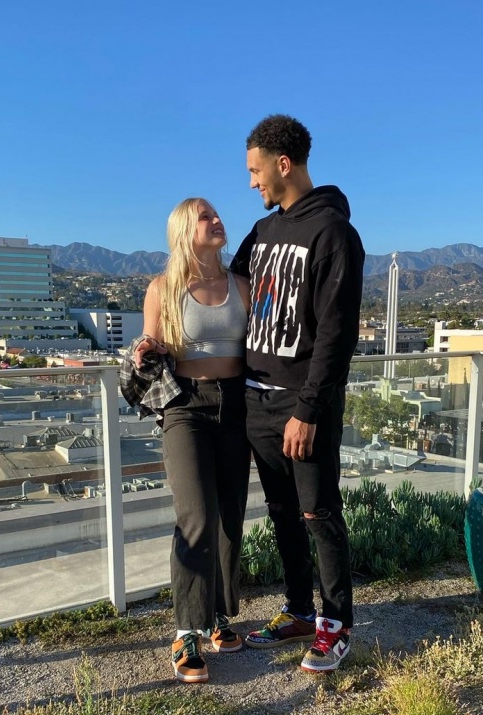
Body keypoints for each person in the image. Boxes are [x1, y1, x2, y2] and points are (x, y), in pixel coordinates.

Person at [230, 114, 365, 673]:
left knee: (319, 513)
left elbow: (337, 333)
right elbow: (226, 285)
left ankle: (337, 625)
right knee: (283, 512)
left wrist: (308, 410)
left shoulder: (334, 234)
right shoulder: (262, 232)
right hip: (256, 398)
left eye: (255, 171)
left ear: (283, 165)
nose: (251, 182)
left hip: (302, 405)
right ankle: (299, 610)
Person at [135, 198, 251, 684]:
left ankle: (218, 613)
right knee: (196, 516)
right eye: (205, 216)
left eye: (216, 214)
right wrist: (146, 347)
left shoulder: (242, 285)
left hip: (238, 404)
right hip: (186, 406)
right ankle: (186, 631)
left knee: (230, 516)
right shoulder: (163, 288)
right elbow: (150, 342)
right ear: (185, 229)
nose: (217, 220)